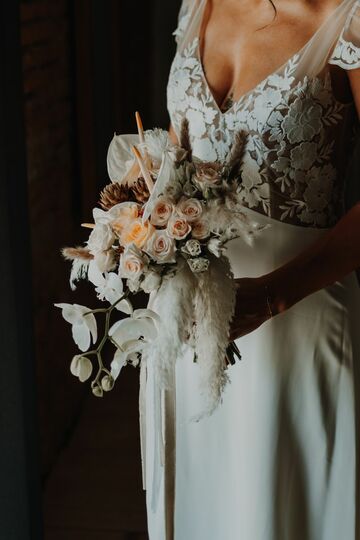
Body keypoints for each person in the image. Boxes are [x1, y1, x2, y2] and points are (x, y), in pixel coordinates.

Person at [142, 1, 360, 538]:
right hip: (188, 333)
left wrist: (274, 295)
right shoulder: (199, 4)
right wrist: (137, 232)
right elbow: (178, 157)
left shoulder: (348, 16)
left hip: (298, 326)